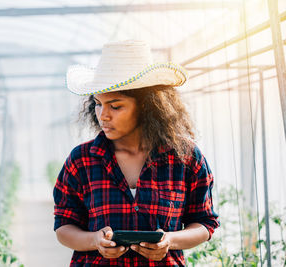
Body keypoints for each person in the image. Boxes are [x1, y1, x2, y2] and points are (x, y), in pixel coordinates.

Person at [53, 40, 219, 267]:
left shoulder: (185, 158)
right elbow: (64, 227)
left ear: (147, 106)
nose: (103, 115)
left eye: (116, 106)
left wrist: (169, 240)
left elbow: (204, 223)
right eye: (98, 104)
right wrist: (95, 240)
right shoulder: (81, 160)